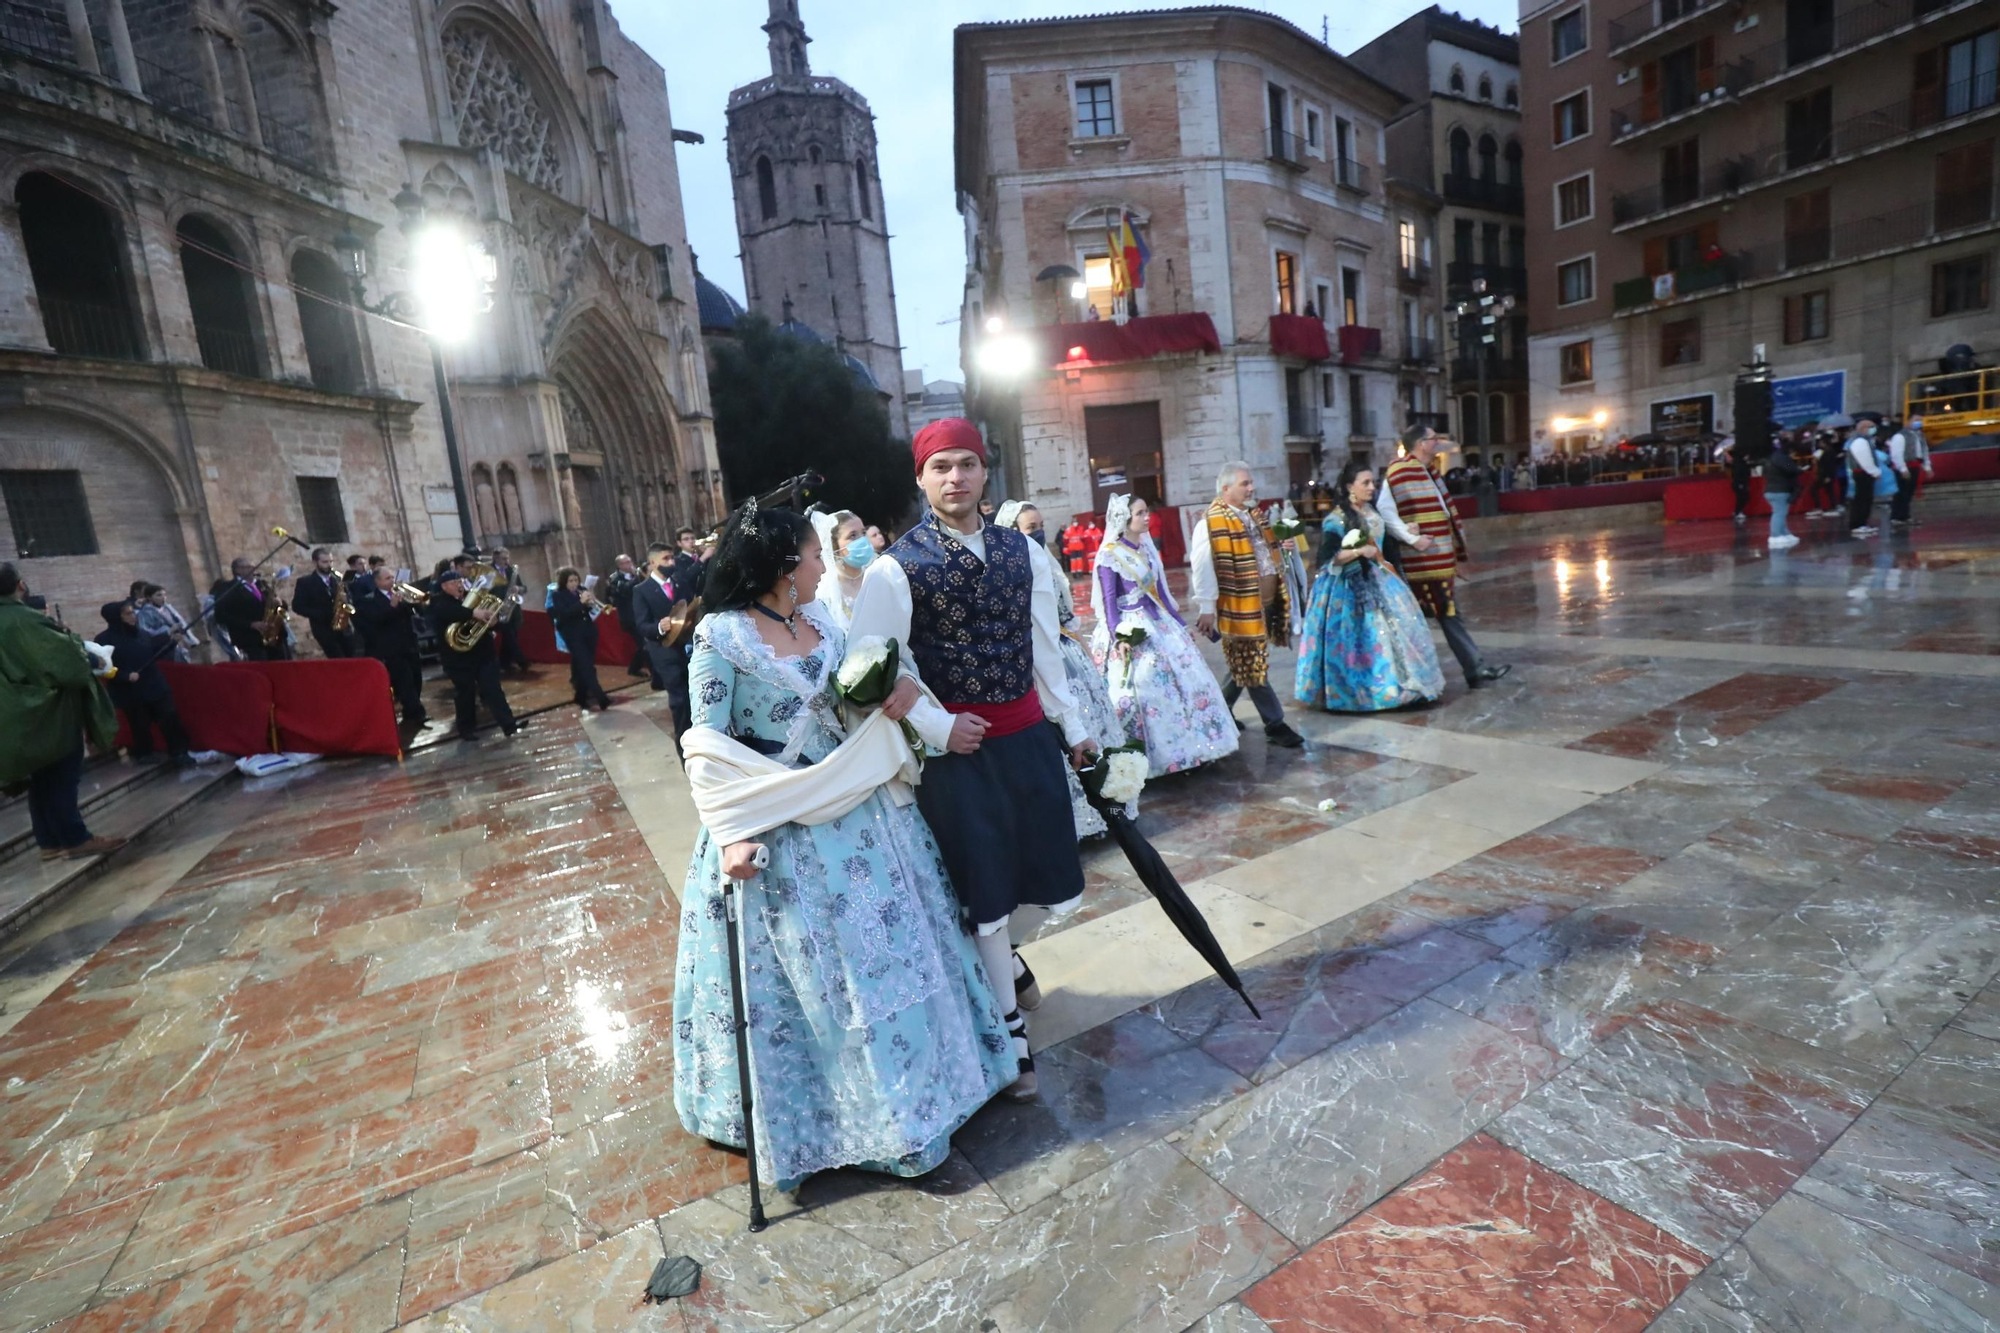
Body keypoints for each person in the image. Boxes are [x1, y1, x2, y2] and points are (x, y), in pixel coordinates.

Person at [672, 503, 1018, 1191]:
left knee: (899, 955)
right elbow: (705, 745)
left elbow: (850, 690)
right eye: (810, 553)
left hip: (862, 810)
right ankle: (859, 1122)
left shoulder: (822, 619)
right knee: (830, 981)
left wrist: (892, 694)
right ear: (780, 565)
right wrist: (733, 833)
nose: (820, 564)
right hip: (781, 824)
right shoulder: (720, 638)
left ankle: (940, 1086)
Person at [848, 418, 1102, 1099]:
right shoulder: (894, 567)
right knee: (987, 893)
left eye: (966, 464)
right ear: (921, 478)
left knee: (1056, 883)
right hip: (960, 759)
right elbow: (865, 665)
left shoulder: (1024, 553)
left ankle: (1000, 960)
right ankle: (1008, 1030)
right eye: (941, 467)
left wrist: (1074, 727)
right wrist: (935, 724)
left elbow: (1045, 650)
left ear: (985, 472)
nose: (955, 477)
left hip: (1028, 741)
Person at [999, 499, 1128, 840]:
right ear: (1013, 533)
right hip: (1034, 661)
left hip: (1067, 652)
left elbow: (1065, 613)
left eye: (1040, 525)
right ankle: (1071, 821)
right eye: (1031, 528)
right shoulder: (1008, 568)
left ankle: (1103, 812)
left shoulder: (1048, 563)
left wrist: (1083, 648)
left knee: (1090, 724)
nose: (1039, 532)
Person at [1093, 493, 1238, 777]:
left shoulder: (1147, 550)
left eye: (1147, 512)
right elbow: (1110, 603)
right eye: (1140, 513)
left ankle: (1194, 748)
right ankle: (1151, 756)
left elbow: (1159, 594)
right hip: (1131, 627)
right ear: (1125, 519)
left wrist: (1179, 626)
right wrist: (1119, 637)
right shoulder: (1110, 555)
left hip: (1160, 624)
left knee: (1189, 684)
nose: (1147, 517)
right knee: (1144, 690)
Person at [1295, 458, 1446, 712]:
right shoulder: (1337, 519)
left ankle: (1400, 684)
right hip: (1347, 587)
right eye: (1365, 483)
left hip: (1380, 578)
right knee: (1361, 638)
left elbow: (1383, 544)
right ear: (1348, 487)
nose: (1371, 487)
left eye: (1372, 482)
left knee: (1398, 631)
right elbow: (1326, 559)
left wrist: (1407, 532)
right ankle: (1363, 691)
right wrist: (1357, 551)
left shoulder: (1372, 512)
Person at [0, 564, 123, 861]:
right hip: (47, 711)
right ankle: (75, 838)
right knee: (62, 773)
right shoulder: (23, 620)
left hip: (16, 713)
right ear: (21, 584)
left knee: (42, 777)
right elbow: (65, 661)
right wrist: (86, 654)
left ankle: (49, 841)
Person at [1381, 424, 1511, 690]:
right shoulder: (1399, 471)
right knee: (1432, 617)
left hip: (1437, 561)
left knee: (1446, 615)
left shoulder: (1429, 472)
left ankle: (1472, 668)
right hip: (1422, 563)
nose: (1437, 442)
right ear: (1420, 444)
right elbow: (1385, 510)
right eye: (1433, 438)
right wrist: (1412, 538)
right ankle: (1415, 676)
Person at [1190, 462, 1306, 748]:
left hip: (1264, 604)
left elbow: (1267, 553)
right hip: (1239, 606)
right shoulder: (1211, 522)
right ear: (1225, 488)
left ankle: (1220, 710)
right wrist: (1207, 606)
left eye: (1251, 482)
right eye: (1245, 484)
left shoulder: (1255, 516)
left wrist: (1283, 546)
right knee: (1253, 664)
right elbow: (1202, 566)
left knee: (1242, 662)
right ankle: (1275, 723)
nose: (1252, 488)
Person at [428, 567, 520, 740]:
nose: (459, 585)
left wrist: (493, 622)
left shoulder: (474, 597)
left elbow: (489, 619)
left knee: (494, 690)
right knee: (465, 694)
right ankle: (467, 730)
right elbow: (447, 613)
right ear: (444, 586)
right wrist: (473, 613)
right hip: (457, 658)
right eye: (454, 582)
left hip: (483, 653)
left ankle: (510, 725)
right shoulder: (438, 601)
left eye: (460, 581)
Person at [95, 601, 192, 765]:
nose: (133, 617)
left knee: (169, 718)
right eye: (127, 614)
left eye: (133, 612)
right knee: (139, 723)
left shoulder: (141, 634)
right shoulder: (104, 639)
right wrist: (124, 675)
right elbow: (102, 666)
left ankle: (179, 752)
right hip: (130, 690)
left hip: (154, 683)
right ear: (116, 618)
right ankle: (145, 753)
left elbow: (154, 652)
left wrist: (172, 642)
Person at [633, 541, 693, 747]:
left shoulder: (680, 583)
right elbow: (641, 625)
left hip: (688, 647)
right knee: (680, 700)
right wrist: (659, 627)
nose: (671, 562)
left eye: (672, 557)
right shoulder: (642, 590)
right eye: (665, 559)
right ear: (653, 562)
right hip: (665, 651)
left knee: (695, 695)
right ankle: (684, 745)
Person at [354, 568, 427, 729]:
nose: (392, 580)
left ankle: (410, 711)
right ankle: (418, 713)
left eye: (392, 577)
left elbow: (416, 612)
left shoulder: (400, 594)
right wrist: (392, 606)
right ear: (377, 582)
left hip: (409, 643)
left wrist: (414, 602)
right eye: (387, 578)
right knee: (405, 680)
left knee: (417, 678)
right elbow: (376, 620)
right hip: (392, 647)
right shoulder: (370, 600)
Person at [550, 567, 612, 712]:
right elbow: (564, 614)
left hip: (588, 632)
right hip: (572, 634)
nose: (574, 584)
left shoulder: (581, 590)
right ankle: (601, 698)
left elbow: (588, 610)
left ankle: (580, 697)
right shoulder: (557, 595)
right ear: (564, 582)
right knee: (587, 666)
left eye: (576, 580)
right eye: (570, 581)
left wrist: (591, 603)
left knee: (582, 666)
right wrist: (580, 603)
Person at [809, 509, 873, 634]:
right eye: (853, 536)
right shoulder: (825, 592)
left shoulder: (878, 575)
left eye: (863, 533)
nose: (862, 540)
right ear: (835, 546)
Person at [291, 546, 357, 658]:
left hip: (344, 627)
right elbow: (297, 606)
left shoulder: (338, 578)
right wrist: (320, 614)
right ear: (315, 562)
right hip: (323, 629)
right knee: (337, 659)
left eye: (331, 561)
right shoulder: (305, 582)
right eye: (325, 562)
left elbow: (349, 596)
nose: (329, 565)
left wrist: (347, 600)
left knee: (352, 657)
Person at [214, 558, 278, 661]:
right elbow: (220, 615)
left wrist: (278, 603)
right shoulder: (228, 588)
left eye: (251, 567)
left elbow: (275, 603)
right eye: (247, 567)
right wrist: (250, 624)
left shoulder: (261, 584)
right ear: (237, 570)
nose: (252, 570)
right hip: (248, 639)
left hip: (271, 635)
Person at [488, 548, 533, 675]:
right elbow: (488, 590)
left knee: (511, 635)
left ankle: (504, 663)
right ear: (495, 558)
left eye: (508, 558)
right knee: (509, 635)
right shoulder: (489, 571)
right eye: (504, 558)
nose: (507, 562)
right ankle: (521, 661)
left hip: (513, 609)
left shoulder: (512, 571)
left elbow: (524, 588)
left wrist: (518, 588)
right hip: (498, 607)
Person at [606, 552, 646, 677]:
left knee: (645, 644)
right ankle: (635, 668)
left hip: (640, 613)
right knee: (643, 645)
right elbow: (624, 590)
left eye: (630, 561)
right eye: (626, 563)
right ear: (620, 565)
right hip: (629, 617)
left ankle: (635, 668)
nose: (630, 564)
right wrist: (637, 577)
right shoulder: (615, 578)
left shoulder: (635, 575)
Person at [135, 584, 198, 663]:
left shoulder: (168, 608)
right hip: (164, 648)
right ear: (149, 597)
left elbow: (180, 621)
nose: (163, 597)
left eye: (164, 595)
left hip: (179, 645)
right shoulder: (144, 613)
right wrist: (168, 631)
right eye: (159, 595)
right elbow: (145, 632)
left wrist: (189, 639)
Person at [1887, 415, 1930, 528]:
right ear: (1908, 421)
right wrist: (1902, 468)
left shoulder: (1920, 435)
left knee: (1909, 492)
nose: (1919, 422)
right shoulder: (1900, 436)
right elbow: (1896, 454)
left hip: (1915, 465)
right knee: (1901, 492)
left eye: (1920, 420)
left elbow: (1924, 451)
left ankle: (1904, 515)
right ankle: (1896, 516)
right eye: (1916, 420)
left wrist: (1927, 467)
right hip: (1905, 466)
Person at [1846, 418, 1882, 536]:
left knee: (1865, 499)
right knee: (1862, 499)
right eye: (1870, 427)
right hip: (1863, 473)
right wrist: (1875, 472)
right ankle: (1858, 524)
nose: (1873, 429)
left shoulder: (1865, 440)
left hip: (1864, 473)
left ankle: (1861, 523)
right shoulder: (1860, 441)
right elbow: (1865, 460)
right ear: (1862, 428)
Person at [1765, 432, 1802, 549]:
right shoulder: (1781, 458)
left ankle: (1784, 533)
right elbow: (1792, 469)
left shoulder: (1772, 458)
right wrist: (1798, 469)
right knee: (1779, 513)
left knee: (1781, 512)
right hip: (1779, 490)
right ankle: (1775, 535)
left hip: (1772, 489)